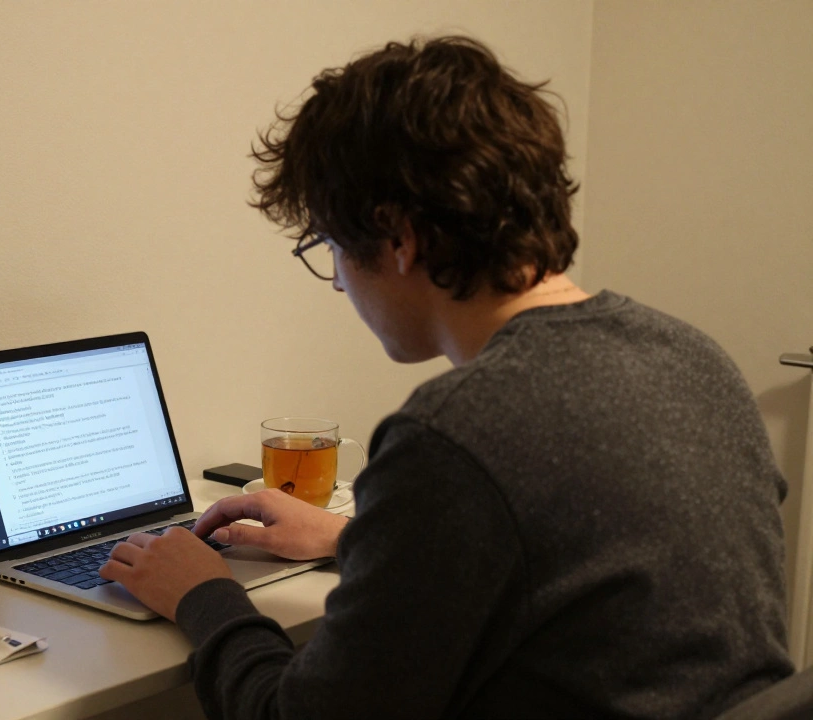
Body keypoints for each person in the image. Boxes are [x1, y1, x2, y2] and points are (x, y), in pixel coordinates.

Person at [97, 34, 794, 719]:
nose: (339, 283)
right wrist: (358, 541)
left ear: (399, 238)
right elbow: (588, 571)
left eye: (333, 248)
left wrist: (203, 593)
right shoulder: (693, 357)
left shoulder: (454, 436)